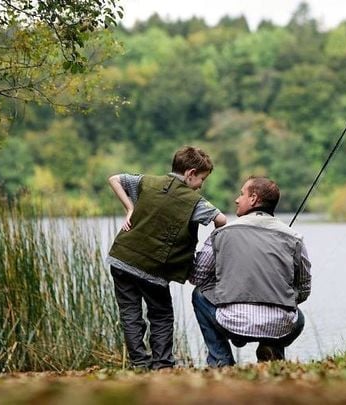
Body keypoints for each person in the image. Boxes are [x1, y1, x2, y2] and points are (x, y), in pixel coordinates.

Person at [107, 146, 227, 370]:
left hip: (121, 258)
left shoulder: (147, 182)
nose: (201, 185)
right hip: (153, 269)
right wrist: (210, 246)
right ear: (190, 173)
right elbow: (221, 220)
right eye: (201, 179)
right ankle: (162, 365)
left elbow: (114, 179)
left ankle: (139, 364)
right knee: (161, 316)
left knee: (130, 313)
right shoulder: (194, 201)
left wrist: (129, 208)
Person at [189, 176, 311, 367]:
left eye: (241, 194)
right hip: (281, 326)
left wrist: (223, 282)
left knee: (199, 295)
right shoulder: (294, 238)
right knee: (298, 316)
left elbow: (197, 277)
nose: (237, 200)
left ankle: (221, 361)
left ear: (253, 199)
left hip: (231, 322)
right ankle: (272, 351)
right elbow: (303, 288)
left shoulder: (221, 233)